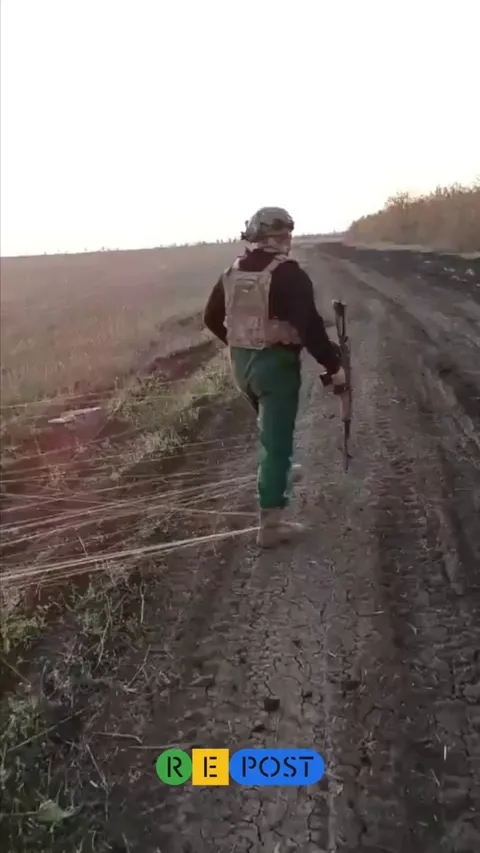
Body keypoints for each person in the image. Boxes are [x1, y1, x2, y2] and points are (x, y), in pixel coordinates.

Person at [203, 207, 346, 548]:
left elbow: (211, 318)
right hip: (275, 367)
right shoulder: (290, 274)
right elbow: (309, 328)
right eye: (285, 235)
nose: (288, 241)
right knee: (277, 443)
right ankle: (271, 524)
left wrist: (242, 345)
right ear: (279, 238)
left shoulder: (231, 271)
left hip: (242, 366)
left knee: (269, 430)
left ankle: (279, 473)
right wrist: (332, 366)